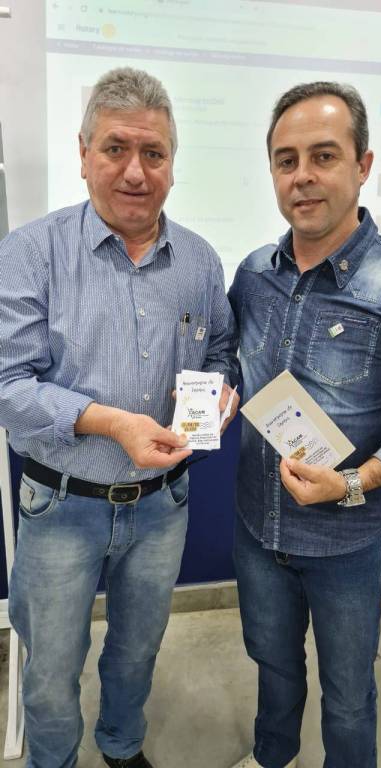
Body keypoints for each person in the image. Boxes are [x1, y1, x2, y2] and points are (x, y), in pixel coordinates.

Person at [0, 67, 239, 768]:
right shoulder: (30, 253)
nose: (135, 171)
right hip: (60, 505)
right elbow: (7, 383)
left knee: (137, 650)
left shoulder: (199, 261)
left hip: (163, 506)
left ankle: (121, 744)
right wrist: (110, 422)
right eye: (115, 149)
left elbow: (218, 350)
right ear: (83, 155)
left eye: (153, 153)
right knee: (50, 670)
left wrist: (217, 394)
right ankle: (54, 761)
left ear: (172, 163)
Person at [228, 81, 381, 768]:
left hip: (346, 543)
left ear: (363, 165)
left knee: (347, 698)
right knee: (273, 667)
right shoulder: (253, 274)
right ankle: (273, 756)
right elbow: (228, 361)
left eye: (323, 156)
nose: (303, 177)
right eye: (286, 161)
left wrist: (354, 481)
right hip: (258, 530)